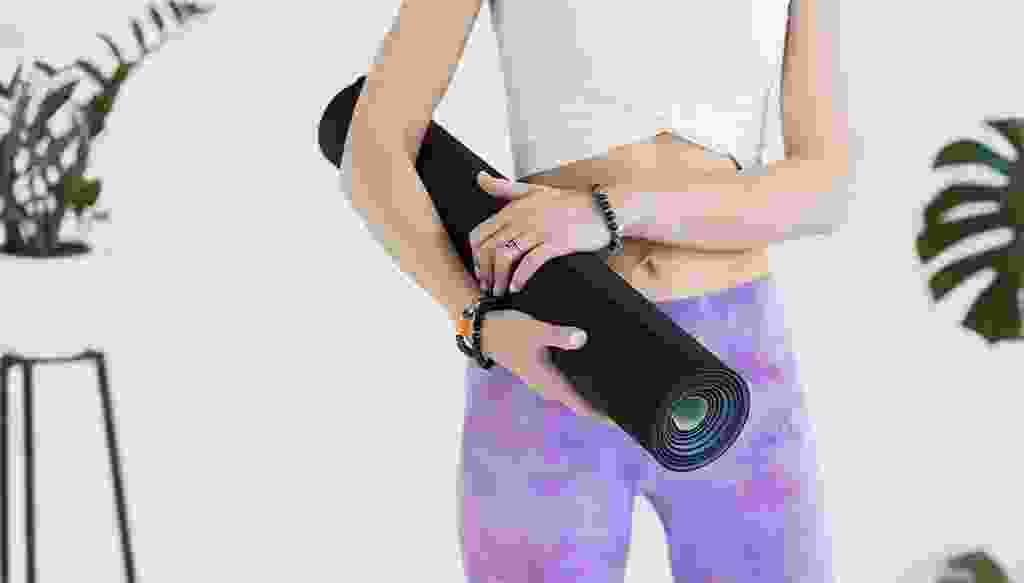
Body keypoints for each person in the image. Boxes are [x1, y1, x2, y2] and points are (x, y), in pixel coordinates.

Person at [342, 0, 851, 580]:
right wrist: (475, 320)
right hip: (546, 347)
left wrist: (606, 212)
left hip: (733, 358)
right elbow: (371, 151)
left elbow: (827, 184)